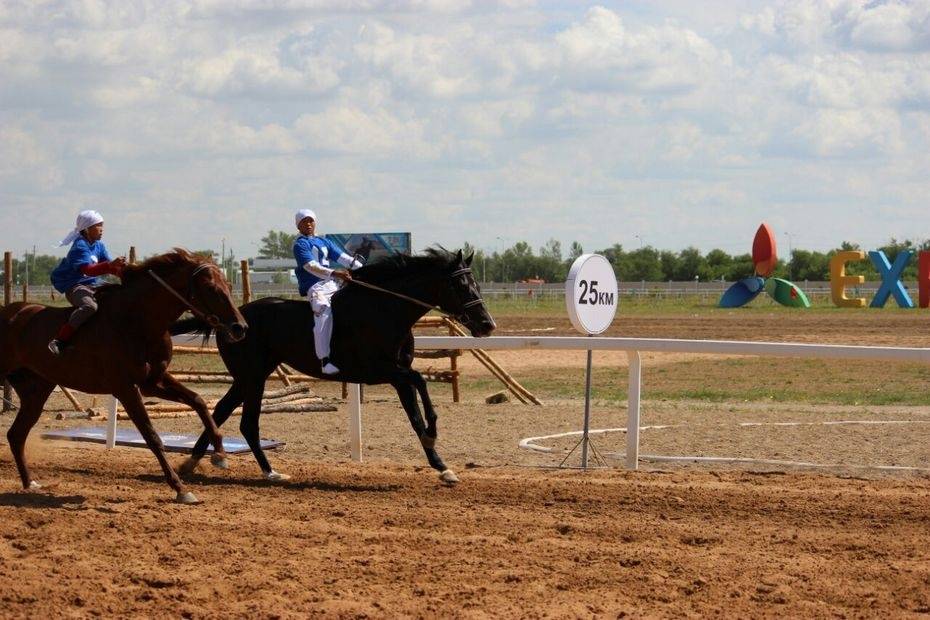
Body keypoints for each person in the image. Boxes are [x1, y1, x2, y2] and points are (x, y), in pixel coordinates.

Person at [292, 209, 362, 374]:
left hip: (332, 284)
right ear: (298, 225)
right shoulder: (300, 244)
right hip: (315, 287)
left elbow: (343, 258)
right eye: (304, 222)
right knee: (323, 313)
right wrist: (335, 273)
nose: (308, 224)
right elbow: (311, 266)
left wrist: (362, 269)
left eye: (311, 221)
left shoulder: (324, 241)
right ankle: (325, 361)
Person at [48, 210, 127, 355]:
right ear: (86, 229)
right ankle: (60, 341)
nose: (102, 229)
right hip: (75, 286)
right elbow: (88, 270)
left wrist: (126, 273)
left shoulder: (99, 245)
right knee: (89, 306)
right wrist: (111, 265)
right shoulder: (79, 246)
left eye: (102, 226)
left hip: (93, 285)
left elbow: (109, 267)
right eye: (98, 226)